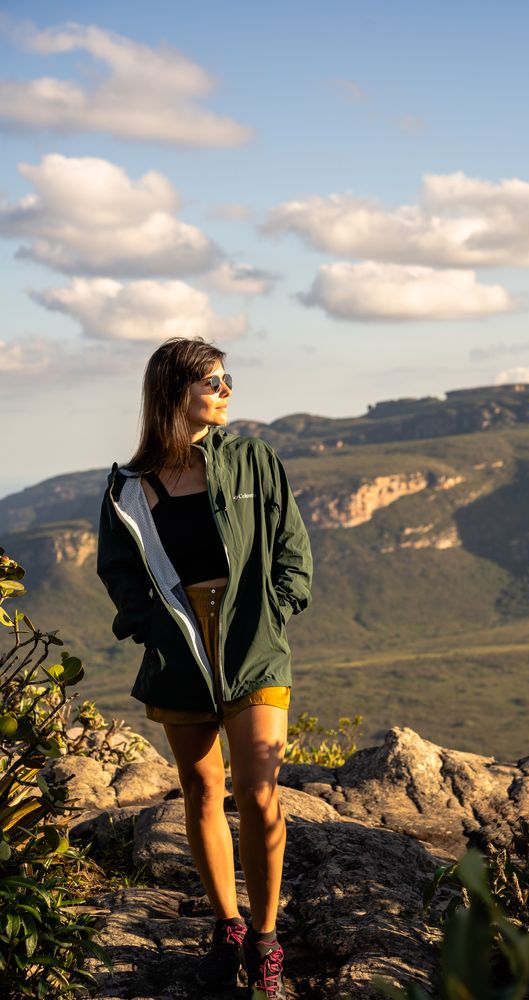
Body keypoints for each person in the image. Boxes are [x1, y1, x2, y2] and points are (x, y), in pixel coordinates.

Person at [97, 336, 313, 998]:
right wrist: (145, 625)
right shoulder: (128, 486)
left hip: (252, 640)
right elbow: (119, 568)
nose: (226, 391)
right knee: (198, 789)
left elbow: (289, 544)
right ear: (175, 392)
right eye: (213, 382)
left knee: (256, 790)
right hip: (179, 646)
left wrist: (276, 608)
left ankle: (266, 938)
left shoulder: (252, 459)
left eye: (227, 379)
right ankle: (226, 928)